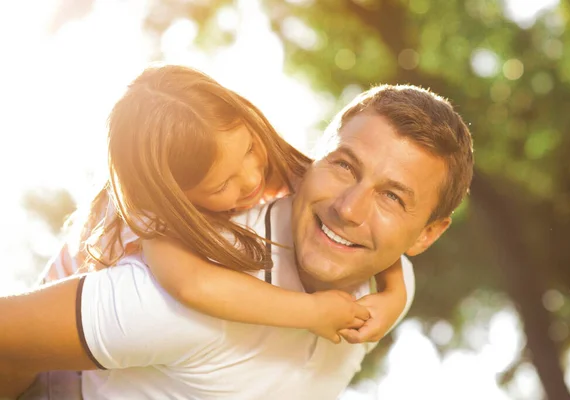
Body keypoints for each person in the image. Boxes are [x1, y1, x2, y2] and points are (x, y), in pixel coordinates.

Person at [0, 82, 473, 399]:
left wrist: (392, 297)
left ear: (427, 234)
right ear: (315, 159)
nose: (349, 209)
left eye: (391, 197)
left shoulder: (389, 292)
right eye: (344, 165)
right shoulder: (182, 295)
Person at [40, 64, 408, 345]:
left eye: (249, 149)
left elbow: (340, 209)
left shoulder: (262, 164)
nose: (250, 178)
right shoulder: (149, 211)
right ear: (175, 196)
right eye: (222, 185)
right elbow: (195, 286)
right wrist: (309, 312)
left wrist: (394, 293)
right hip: (56, 334)